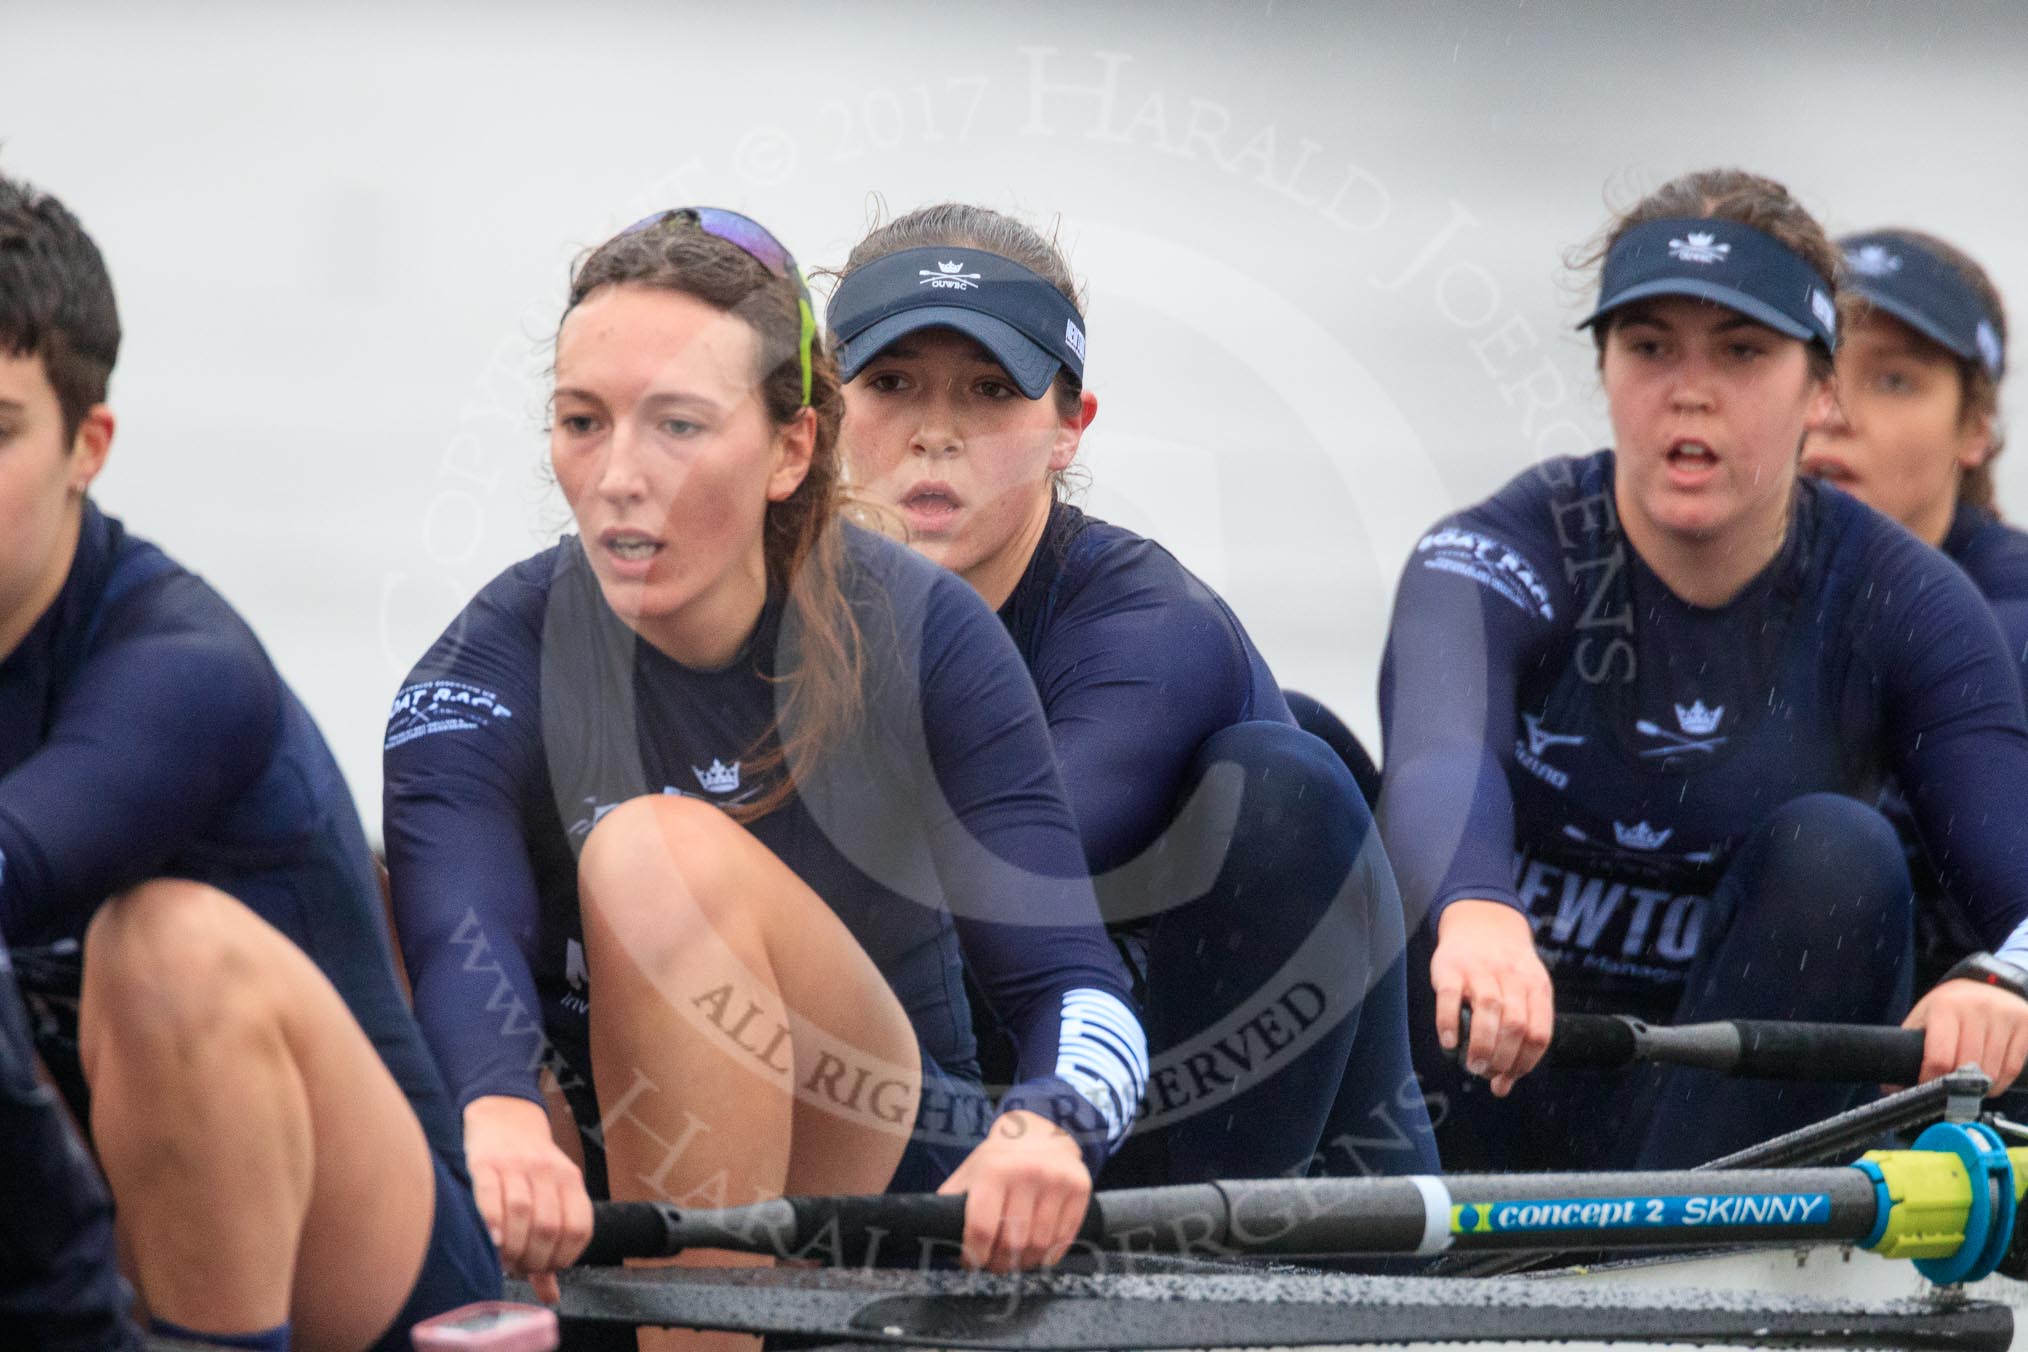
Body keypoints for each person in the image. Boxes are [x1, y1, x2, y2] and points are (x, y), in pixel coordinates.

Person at [381, 209, 1149, 1324]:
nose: (619, 475)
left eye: (679, 424)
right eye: (583, 421)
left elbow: (1080, 991)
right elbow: (459, 941)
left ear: (791, 450)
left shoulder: (921, 632)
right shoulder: (484, 664)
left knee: (654, 853)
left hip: (882, 1187)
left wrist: (1051, 1125)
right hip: (585, 1181)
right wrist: (494, 1110)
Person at [1381, 168, 2028, 1173]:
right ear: (1604, 369)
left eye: (1742, 351)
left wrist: (2001, 980)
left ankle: (1681, 1274)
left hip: (1720, 1140)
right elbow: (1433, 758)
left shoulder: (1913, 603)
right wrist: (1477, 904)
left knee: (1841, 855)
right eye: (1650, 347)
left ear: (1820, 388)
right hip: (1467, 1093)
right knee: (1291, 768)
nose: (1690, 388)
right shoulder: (1491, 555)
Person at [828, 203, 1436, 1183]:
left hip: (1207, 1139)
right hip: (980, 1102)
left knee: (1286, 773)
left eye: (989, 391)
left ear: (1069, 428)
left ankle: (1200, 1292)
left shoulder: (1149, 624)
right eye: (892, 383)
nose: (935, 433)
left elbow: (996, 878)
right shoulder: (761, 606)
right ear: (817, 413)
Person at [0, 172, 498, 1350]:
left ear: (89, 445)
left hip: (397, 1276)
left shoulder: (183, 666)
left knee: (164, 947)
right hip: (100, 1222)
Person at [1802, 230, 2024, 987]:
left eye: (1893, 381)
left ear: (1976, 430)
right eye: (1818, 369)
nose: (1836, 413)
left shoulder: (2009, 619)